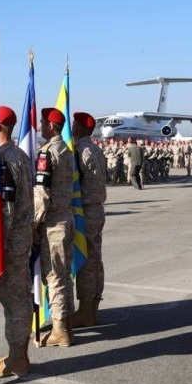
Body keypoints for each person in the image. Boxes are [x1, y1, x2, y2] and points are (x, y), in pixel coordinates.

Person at [0, 106, 36, 378]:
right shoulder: (19, 155)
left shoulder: (4, 159)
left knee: (14, 297)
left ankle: (18, 359)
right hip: (21, 236)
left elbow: (6, 210)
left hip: (10, 241)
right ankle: (18, 355)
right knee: (18, 295)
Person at [35, 107, 75, 347]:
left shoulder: (47, 152)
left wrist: (33, 223)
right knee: (64, 274)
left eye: (42, 122)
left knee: (54, 276)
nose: (39, 125)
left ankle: (60, 330)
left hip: (53, 223)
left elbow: (42, 193)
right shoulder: (66, 150)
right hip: (66, 217)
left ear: (51, 126)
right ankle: (66, 322)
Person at [71, 112, 106, 328]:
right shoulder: (96, 150)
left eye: (74, 124)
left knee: (85, 261)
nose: (72, 126)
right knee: (95, 259)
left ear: (80, 128)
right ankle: (92, 308)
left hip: (84, 210)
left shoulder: (80, 151)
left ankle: (85, 311)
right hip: (97, 209)